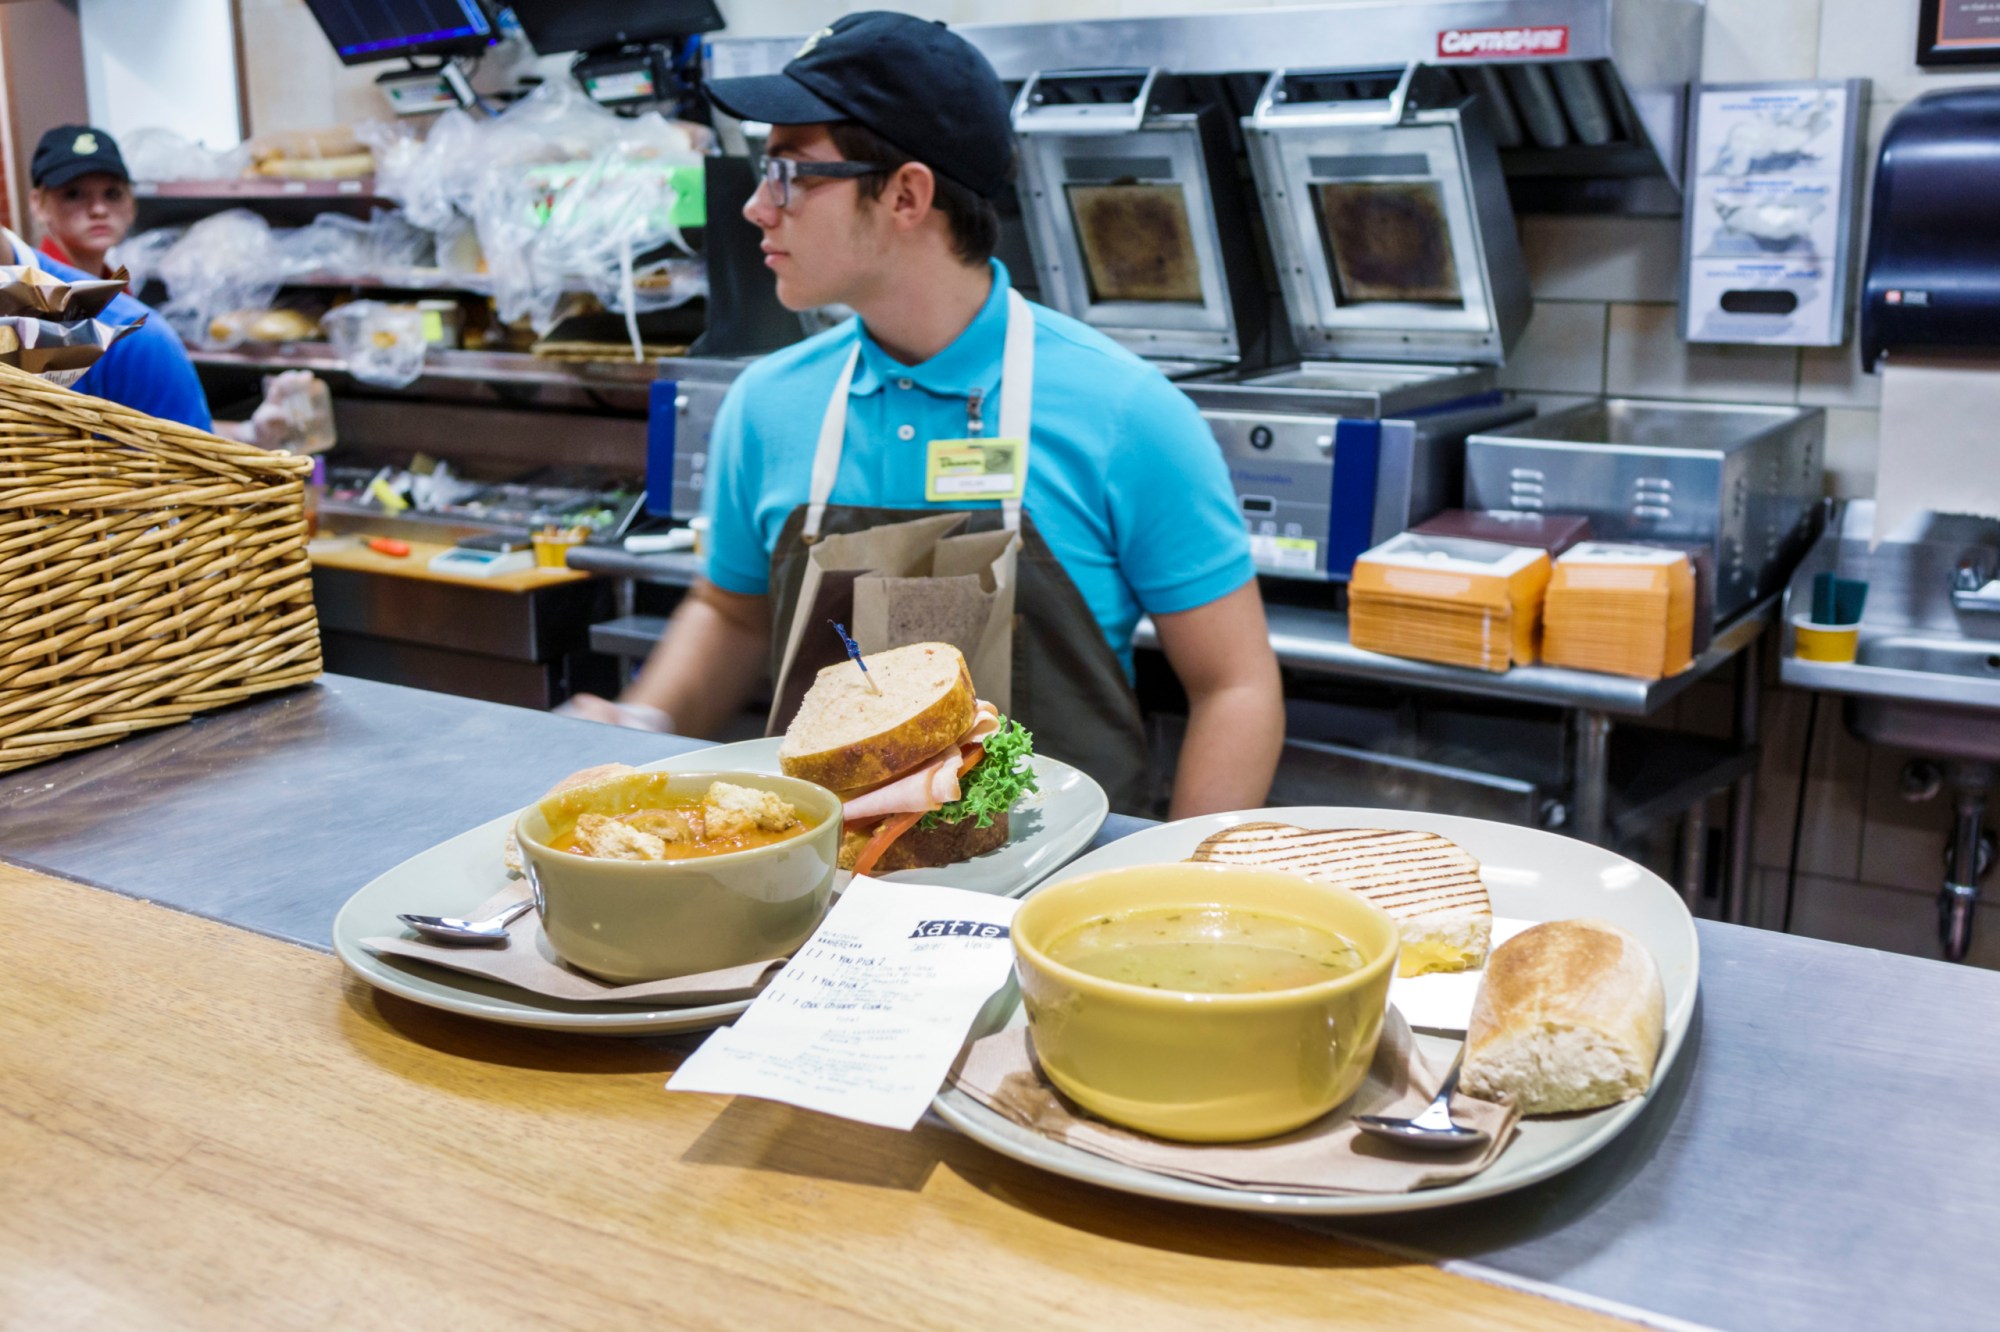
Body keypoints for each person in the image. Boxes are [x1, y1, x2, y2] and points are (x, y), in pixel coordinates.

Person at [565, 11, 1283, 818]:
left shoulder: (1126, 412)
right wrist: (643, 721)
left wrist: (1176, 882)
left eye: (793, 173)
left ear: (907, 193)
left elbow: (1235, 684)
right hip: (817, 894)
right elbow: (731, 614)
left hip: (1054, 902)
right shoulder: (768, 404)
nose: (758, 208)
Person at [18, 124, 317, 443]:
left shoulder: (120, 296)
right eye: (74, 194)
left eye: (112, 193)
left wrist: (250, 432)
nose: (98, 209)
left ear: (131, 204)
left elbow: (156, 427)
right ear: (38, 203)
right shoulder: (40, 310)